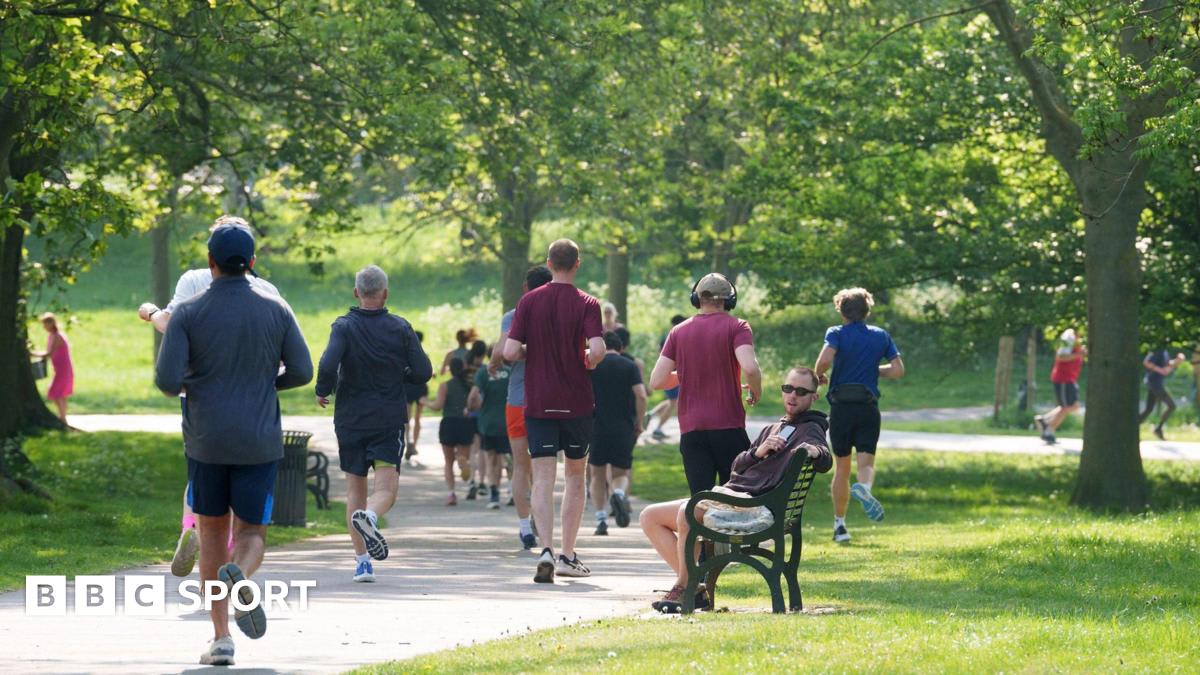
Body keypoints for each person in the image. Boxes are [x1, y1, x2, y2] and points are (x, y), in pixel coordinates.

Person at [155, 223, 313, 666]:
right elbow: (302, 370)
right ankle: (240, 574)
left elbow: (168, 382)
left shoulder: (188, 311)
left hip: (206, 439)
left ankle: (221, 638)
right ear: (253, 264)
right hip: (258, 438)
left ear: (210, 263)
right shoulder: (276, 308)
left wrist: (201, 385)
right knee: (252, 532)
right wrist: (264, 385)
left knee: (210, 535)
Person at [136, 215, 285, 579]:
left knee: (204, 471)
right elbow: (289, 360)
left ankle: (193, 530)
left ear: (211, 255)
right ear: (250, 256)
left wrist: (151, 312)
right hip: (254, 408)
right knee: (244, 499)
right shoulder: (268, 292)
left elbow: (170, 325)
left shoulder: (193, 281)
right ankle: (232, 566)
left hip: (201, 397)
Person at [638, 367, 831, 613]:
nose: (793, 395)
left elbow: (823, 455)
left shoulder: (810, 428)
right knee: (650, 516)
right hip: (734, 495)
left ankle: (683, 588)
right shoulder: (775, 427)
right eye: (788, 388)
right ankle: (694, 587)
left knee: (689, 510)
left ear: (814, 396)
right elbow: (737, 465)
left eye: (802, 391)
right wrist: (757, 452)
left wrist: (816, 452)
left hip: (752, 504)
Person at [315, 265, 432, 583]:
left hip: (350, 419)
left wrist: (323, 389)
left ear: (356, 292)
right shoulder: (400, 327)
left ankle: (362, 562)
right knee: (386, 489)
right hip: (387, 418)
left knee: (355, 487)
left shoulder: (343, 326)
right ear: (385, 293)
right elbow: (422, 370)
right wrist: (401, 375)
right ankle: (371, 516)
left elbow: (328, 363)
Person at [503, 239, 605, 583]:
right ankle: (567, 554)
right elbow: (598, 349)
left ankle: (544, 548)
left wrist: (534, 351)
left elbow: (510, 350)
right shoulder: (588, 303)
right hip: (576, 402)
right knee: (576, 476)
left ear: (549, 263)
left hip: (539, 401)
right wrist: (588, 359)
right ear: (577, 264)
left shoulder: (529, 301)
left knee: (543, 477)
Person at [648, 274, 762, 496]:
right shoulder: (737, 326)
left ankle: (700, 533)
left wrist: (690, 372)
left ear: (696, 298)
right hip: (728, 426)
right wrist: (756, 390)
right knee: (735, 499)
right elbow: (750, 368)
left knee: (700, 502)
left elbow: (657, 381)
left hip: (692, 430)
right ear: (729, 300)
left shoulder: (678, 331)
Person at [814, 287, 903, 543]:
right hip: (868, 407)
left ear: (841, 310)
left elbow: (824, 360)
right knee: (866, 463)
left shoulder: (836, 333)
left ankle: (840, 526)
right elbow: (898, 370)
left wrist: (820, 375)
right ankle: (864, 488)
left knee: (842, 468)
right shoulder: (881, 335)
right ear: (867, 310)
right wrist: (875, 371)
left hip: (841, 408)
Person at [493, 265, 553, 549]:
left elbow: (502, 353)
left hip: (517, 400)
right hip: (549, 400)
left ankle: (523, 525)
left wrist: (495, 362)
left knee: (521, 465)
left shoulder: (513, 316)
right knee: (544, 468)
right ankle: (543, 526)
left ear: (526, 288)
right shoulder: (557, 316)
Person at [589, 331, 647, 535]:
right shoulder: (629, 365)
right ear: (621, 348)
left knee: (596, 474)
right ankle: (619, 493)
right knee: (620, 472)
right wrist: (639, 422)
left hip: (596, 426)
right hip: (623, 427)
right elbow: (641, 394)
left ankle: (601, 519)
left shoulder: (591, 365)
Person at [426, 357, 475, 506]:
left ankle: (451, 493)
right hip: (465, 422)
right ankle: (463, 463)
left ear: (450, 369)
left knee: (448, 461)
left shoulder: (445, 386)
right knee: (463, 455)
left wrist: (425, 402)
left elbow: (438, 406)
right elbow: (476, 402)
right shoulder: (469, 385)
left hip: (448, 423)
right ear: (463, 367)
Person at [469, 353, 511, 509]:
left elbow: (473, 396)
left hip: (488, 423)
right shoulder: (509, 371)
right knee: (507, 459)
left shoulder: (483, 372)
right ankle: (512, 490)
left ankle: (494, 496)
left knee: (491, 459)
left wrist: (470, 407)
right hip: (508, 422)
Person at [1034, 328, 1086, 445]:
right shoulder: (1069, 337)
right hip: (1064, 377)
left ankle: (1045, 420)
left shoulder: (1076, 338)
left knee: (1073, 406)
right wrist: (1080, 354)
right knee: (1067, 407)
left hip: (1070, 377)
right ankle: (1048, 431)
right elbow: (1060, 356)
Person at [645, 314, 686, 439]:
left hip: (665, 372)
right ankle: (658, 428)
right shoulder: (676, 336)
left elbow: (661, 355)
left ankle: (651, 414)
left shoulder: (666, 337)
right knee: (674, 402)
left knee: (672, 401)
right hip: (673, 373)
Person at [33, 312, 73, 423]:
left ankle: (63, 417)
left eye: (45, 324)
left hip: (63, 369)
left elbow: (49, 353)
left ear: (51, 323)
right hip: (59, 368)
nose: (44, 327)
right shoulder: (51, 336)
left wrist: (32, 353)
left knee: (55, 392)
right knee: (60, 394)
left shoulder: (57, 336)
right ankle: (63, 416)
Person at [1138, 348, 1186, 440]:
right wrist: (1160, 370)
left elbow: (1167, 366)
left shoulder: (1165, 352)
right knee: (1172, 406)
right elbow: (1146, 362)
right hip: (1154, 383)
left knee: (1149, 409)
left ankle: (1133, 427)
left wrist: (1177, 361)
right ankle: (1158, 429)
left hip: (1156, 384)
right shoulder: (1158, 350)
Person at [403, 330, 430, 465]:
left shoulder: (406, 354)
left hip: (408, 388)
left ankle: (408, 442)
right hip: (421, 389)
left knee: (407, 419)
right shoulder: (424, 355)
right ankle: (414, 444)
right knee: (418, 418)